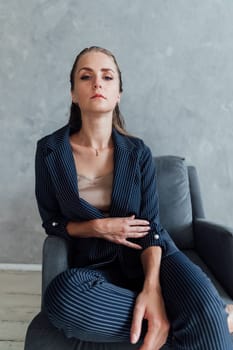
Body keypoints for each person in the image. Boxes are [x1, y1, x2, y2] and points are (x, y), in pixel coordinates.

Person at [35, 46, 233, 350]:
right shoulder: (49, 151)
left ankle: (200, 315)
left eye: (107, 76)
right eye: (86, 76)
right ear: (74, 93)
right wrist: (97, 228)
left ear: (118, 94)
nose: (97, 83)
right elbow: (52, 220)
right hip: (93, 266)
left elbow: (151, 227)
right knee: (61, 298)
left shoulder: (138, 151)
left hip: (156, 256)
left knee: (204, 310)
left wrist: (152, 289)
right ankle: (197, 319)